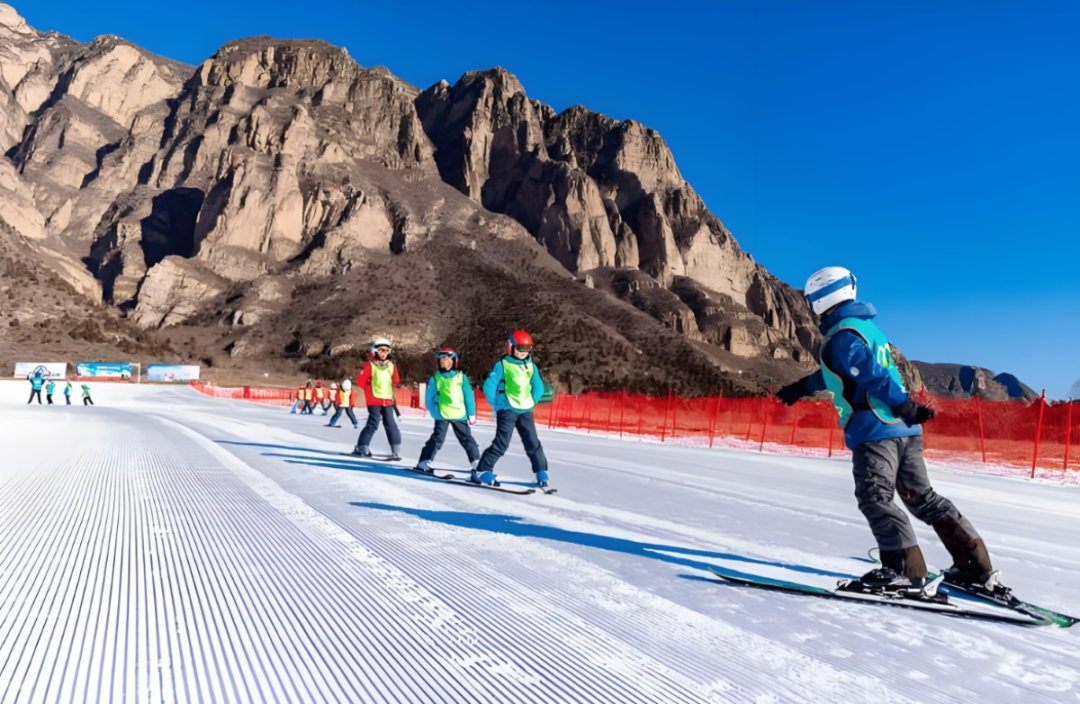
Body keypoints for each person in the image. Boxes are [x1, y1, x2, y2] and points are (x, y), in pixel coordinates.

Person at [777, 267, 998, 600]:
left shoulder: (841, 336)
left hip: (877, 430)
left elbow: (872, 377)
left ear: (822, 298)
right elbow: (843, 374)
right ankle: (974, 567)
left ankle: (903, 573)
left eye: (811, 300)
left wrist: (905, 404)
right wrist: (801, 386)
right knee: (924, 499)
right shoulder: (862, 329)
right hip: (903, 431)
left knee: (874, 497)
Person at [474, 330, 549, 487]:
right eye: (519, 348)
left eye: (526, 349)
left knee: (532, 441)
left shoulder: (531, 366)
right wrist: (497, 404)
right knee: (502, 443)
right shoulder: (502, 364)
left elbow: (538, 387)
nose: (523, 353)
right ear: (511, 347)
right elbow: (489, 386)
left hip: (525, 410)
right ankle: (483, 470)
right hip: (507, 409)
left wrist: (531, 402)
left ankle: (541, 471)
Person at [415, 348, 480, 474]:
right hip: (442, 414)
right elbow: (429, 398)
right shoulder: (435, 378)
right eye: (442, 360)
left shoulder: (462, 377)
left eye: (448, 360)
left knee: (467, 439)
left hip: (459, 414)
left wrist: (471, 413)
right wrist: (435, 413)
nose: (445, 363)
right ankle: (424, 462)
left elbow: (468, 396)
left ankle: (477, 463)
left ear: (454, 361)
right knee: (437, 439)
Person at [352, 337, 402, 460]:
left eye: (386, 350)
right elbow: (360, 381)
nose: (384, 353)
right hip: (374, 399)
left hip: (387, 400)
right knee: (373, 422)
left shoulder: (391, 366)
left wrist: (391, 387)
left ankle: (396, 450)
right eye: (381, 350)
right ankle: (362, 447)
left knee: (390, 424)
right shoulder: (369, 365)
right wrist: (369, 387)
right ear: (375, 351)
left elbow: (396, 381)